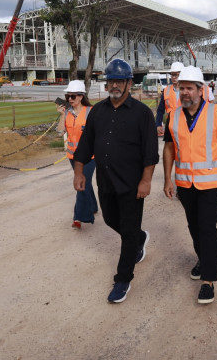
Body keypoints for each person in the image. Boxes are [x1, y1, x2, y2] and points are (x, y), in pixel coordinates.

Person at [74, 59, 159, 303]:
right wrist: (79, 173)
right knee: (111, 219)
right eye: (111, 80)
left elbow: (150, 152)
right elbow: (85, 146)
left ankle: (123, 279)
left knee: (129, 231)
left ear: (129, 83)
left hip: (132, 184)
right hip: (106, 181)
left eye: (120, 80)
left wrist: (146, 181)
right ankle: (138, 239)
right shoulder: (97, 112)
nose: (115, 85)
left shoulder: (142, 114)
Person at [162, 66, 217, 305]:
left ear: (200, 90)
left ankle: (208, 280)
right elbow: (168, 148)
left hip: (209, 183)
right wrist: (167, 178)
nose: (184, 92)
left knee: (206, 228)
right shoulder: (173, 116)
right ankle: (202, 258)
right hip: (185, 183)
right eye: (181, 88)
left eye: (189, 88)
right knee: (193, 227)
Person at [56, 80, 96, 229]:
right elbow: (60, 132)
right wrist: (61, 115)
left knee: (81, 183)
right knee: (85, 182)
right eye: (68, 97)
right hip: (73, 157)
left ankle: (79, 217)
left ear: (81, 96)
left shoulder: (91, 112)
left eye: (73, 96)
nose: (70, 100)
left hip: (90, 157)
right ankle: (93, 206)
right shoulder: (66, 113)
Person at [155, 62, 185, 137]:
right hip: (170, 124)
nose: (174, 77)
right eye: (172, 75)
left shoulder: (187, 90)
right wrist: (158, 124)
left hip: (185, 124)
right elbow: (160, 110)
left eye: (176, 75)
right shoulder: (166, 90)